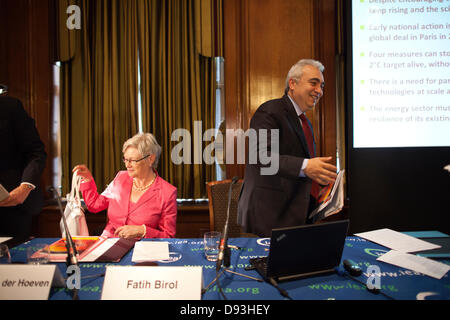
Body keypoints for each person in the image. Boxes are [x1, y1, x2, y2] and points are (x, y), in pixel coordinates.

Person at [237, 59, 337, 237]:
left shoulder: (304, 121)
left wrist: (321, 181)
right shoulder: (270, 111)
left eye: (322, 85)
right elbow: (261, 156)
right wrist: (306, 167)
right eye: (313, 83)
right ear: (293, 83)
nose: (319, 91)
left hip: (295, 217)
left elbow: (296, 164)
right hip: (268, 219)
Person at [74, 133, 177, 239]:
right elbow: (94, 205)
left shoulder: (167, 192)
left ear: (150, 159)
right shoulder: (120, 178)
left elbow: (168, 236)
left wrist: (142, 230)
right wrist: (87, 179)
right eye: (125, 159)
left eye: (133, 160)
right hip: (109, 242)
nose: (127, 165)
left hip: (142, 249)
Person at [0, 95, 47, 244]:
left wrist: (25, 187)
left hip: (12, 205)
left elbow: (36, 152)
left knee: (11, 264)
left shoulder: (10, 107)